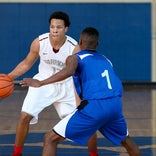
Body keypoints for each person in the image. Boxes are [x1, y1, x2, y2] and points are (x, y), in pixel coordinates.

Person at [21, 27, 142, 156]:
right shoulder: (106, 60)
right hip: (115, 105)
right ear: (98, 44)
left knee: (50, 139)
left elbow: (69, 71)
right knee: (126, 141)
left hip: (95, 107)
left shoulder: (75, 57)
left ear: (80, 42)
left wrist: (40, 83)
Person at [8, 12, 98, 156]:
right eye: (52, 27)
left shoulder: (74, 48)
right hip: (42, 84)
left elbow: (79, 75)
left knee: (86, 121)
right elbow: (26, 63)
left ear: (66, 29)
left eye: (59, 27)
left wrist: (80, 99)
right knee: (24, 116)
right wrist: (8, 77)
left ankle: (94, 154)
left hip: (66, 87)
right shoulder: (39, 42)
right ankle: (16, 153)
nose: (55, 30)